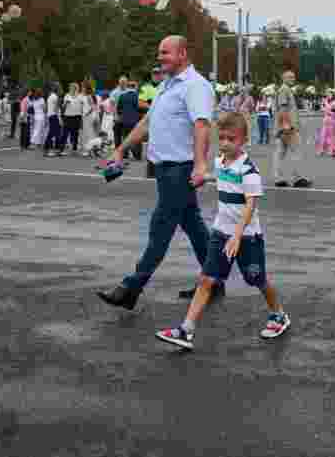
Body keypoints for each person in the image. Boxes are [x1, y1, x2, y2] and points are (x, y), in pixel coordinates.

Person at [97, 36, 217, 310]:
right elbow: (147, 122)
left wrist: (200, 164)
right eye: (159, 53)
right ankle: (215, 280)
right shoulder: (167, 85)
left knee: (160, 227)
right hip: (164, 169)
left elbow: (202, 126)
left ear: (182, 53)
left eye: (165, 53)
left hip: (180, 169)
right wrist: (120, 149)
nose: (160, 57)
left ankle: (131, 287)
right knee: (194, 226)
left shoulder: (196, 86)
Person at [155, 111, 290, 350]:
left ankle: (279, 315)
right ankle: (186, 330)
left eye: (232, 139)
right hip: (220, 233)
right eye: (223, 138)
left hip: (247, 237)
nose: (226, 143)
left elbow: (250, 206)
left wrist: (237, 236)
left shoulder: (248, 171)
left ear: (244, 140)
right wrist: (204, 178)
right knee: (206, 280)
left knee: (257, 280)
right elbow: (221, 177)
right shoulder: (221, 161)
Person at [272, 70, 311, 188]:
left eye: (293, 77)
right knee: (296, 151)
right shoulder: (284, 90)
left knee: (280, 153)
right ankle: (296, 178)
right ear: (284, 78)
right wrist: (286, 126)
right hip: (287, 127)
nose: (293, 79)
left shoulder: (285, 90)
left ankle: (278, 178)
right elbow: (283, 109)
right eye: (290, 77)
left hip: (282, 127)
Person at [116, 81, 143, 161]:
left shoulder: (122, 96)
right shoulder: (137, 96)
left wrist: (122, 115)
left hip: (124, 120)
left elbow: (118, 108)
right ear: (135, 87)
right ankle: (137, 155)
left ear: (128, 87)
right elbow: (140, 107)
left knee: (125, 137)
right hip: (135, 120)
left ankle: (125, 154)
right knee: (136, 137)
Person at [61, 82, 85, 155]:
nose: (71, 89)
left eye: (73, 88)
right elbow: (63, 106)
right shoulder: (67, 95)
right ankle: (62, 149)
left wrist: (82, 115)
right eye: (70, 88)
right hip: (68, 116)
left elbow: (83, 106)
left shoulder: (80, 96)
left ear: (76, 88)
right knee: (65, 133)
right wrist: (65, 103)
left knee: (75, 133)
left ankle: (74, 148)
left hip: (77, 116)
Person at [316, 91, 335, 157]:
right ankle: (321, 150)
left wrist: (330, 112)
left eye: (330, 95)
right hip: (326, 121)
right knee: (323, 135)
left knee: (332, 137)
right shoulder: (325, 102)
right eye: (328, 95)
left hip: (333, 121)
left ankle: (333, 150)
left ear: (333, 95)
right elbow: (322, 110)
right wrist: (323, 106)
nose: (328, 96)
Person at [44, 84, 64, 157]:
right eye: (60, 89)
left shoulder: (50, 97)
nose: (61, 91)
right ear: (57, 90)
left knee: (53, 133)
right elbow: (56, 109)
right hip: (54, 116)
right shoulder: (55, 97)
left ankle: (53, 149)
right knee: (54, 133)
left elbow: (46, 108)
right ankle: (51, 149)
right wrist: (60, 119)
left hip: (51, 116)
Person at [110, 76, 129, 149]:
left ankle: (125, 151)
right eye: (122, 82)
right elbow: (112, 105)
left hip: (127, 116)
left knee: (126, 135)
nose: (123, 83)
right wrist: (115, 115)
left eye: (124, 82)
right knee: (117, 134)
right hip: (117, 116)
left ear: (127, 83)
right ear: (119, 83)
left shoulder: (129, 92)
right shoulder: (114, 92)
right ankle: (117, 149)